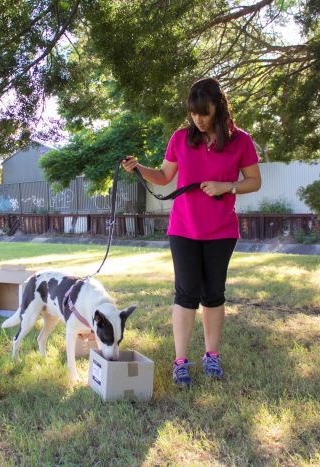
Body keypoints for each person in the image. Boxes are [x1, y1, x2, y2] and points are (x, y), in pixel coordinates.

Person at [122, 77, 261, 387]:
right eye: (193, 113)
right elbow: (163, 176)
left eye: (205, 113)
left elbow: (254, 180)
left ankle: (212, 355)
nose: (198, 119)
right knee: (186, 294)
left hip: (221, 231)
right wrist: (139, 168)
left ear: (219, 109)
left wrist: (228, 186)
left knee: (214, 295)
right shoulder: (180, 139)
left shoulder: (241, 140)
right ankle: (180, 361)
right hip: (184, 229)